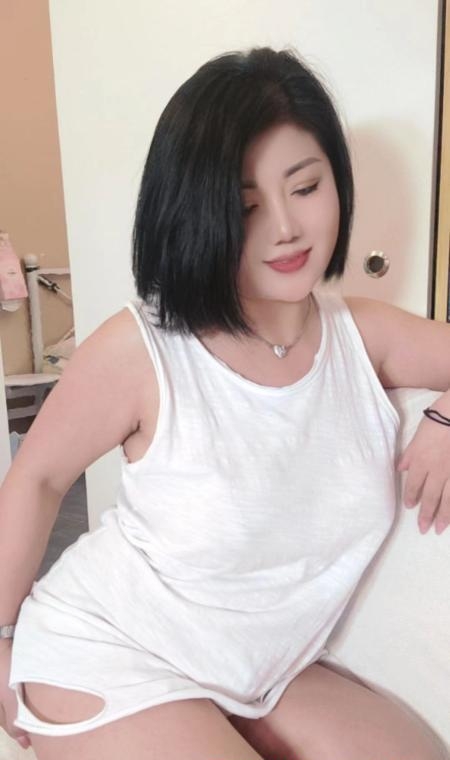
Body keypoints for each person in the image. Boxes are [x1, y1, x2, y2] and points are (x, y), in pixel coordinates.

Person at [0, 46, 449, 760]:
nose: (286, 227)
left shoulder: (362, 335)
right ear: (193, 214)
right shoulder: (142, 347)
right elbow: (40, 476)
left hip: (264, 669)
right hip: (112, 649)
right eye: (245, 206)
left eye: (306, 187)